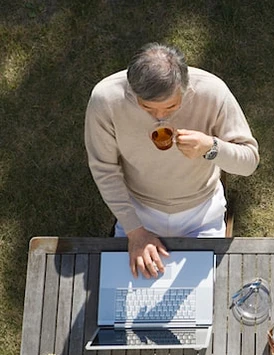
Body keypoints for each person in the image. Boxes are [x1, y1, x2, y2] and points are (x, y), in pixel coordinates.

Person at [85, 43, 259, 279]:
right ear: (131, 90)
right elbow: (104, 170)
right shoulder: (105, 99)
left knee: (202, 304)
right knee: (121, 301)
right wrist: (135, 230)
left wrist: (211, 147)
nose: (160, 117)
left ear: (185, 90)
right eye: (147, 107)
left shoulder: (213, 92)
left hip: (202, 212)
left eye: (171, 107)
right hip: (139, 209)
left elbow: (249, 162)